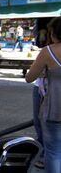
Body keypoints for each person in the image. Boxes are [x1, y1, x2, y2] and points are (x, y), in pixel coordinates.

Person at [26, 17, 61, 173]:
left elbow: (29, 78)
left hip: (54, 108)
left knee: (53, 151)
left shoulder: (48, 52)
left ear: (53, 33)